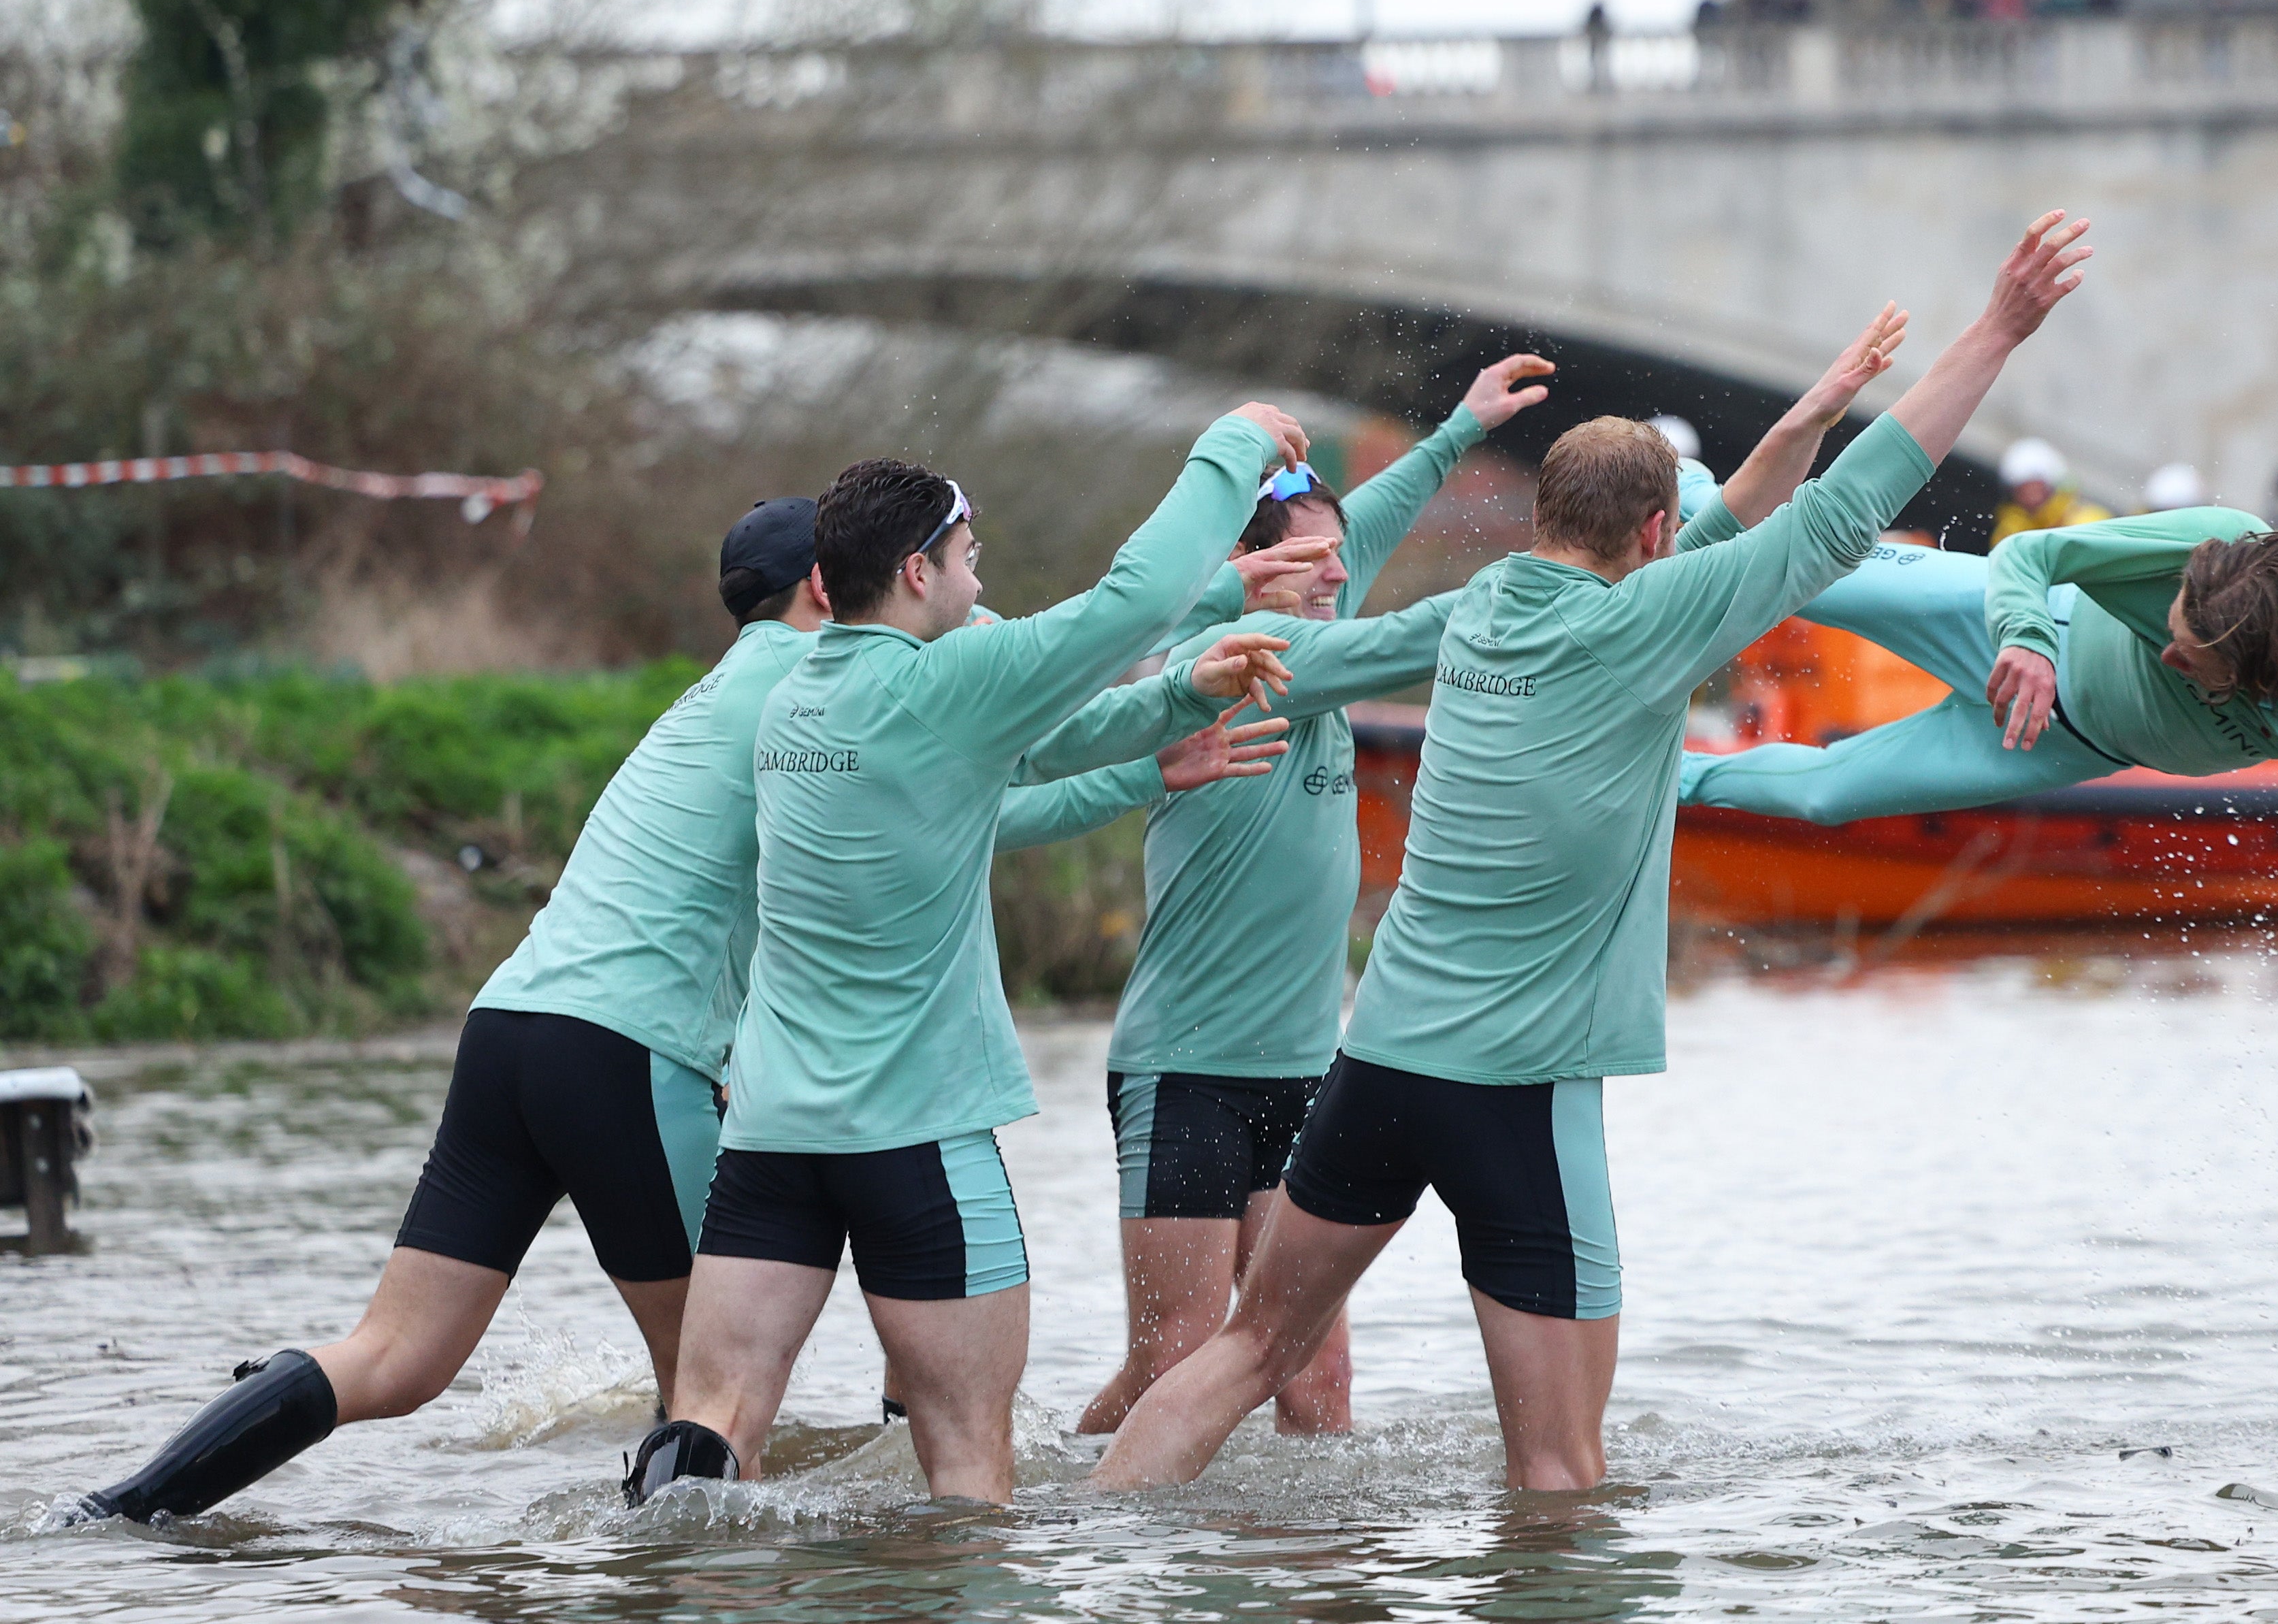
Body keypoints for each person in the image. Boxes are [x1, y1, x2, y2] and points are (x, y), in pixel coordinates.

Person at [1089, 211, 2094, 1495]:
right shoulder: (1659, 620)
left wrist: (1181, 655)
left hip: (1379, 1059)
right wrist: (1997, 329)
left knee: (1244, 1352)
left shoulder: (1477, 608)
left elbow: (1304, 656)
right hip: (1522, 1087)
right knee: (1561, 1470)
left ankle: (1094, 1558)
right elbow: (1852, 509)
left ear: (1548, 510)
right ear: (1656, 537)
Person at [67, 500, 834, 1524]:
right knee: (713, 1383)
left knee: (392, 1357)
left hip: (507, 1032)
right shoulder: (816, 683)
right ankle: (671, 1581)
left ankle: (116, 1509)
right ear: (827, 586)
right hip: (623, 1055)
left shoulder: (701, 699)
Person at [627, 403, 1312, 1508]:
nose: (981, 581)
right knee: (967, 1457)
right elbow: (1136, 598)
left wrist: (1178, 703)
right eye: (969, 558)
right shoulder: (942, 686)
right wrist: (1232, 447)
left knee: (713, 1417)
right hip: (920, 1136)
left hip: (771, 1136)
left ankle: (665, 1579)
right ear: (915, 571)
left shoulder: (792, 696)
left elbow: (1027, 748)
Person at [996, 355, 1557, 1442]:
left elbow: (1354, 544)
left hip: (1307, 1072)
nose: (1338, 574)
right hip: (1187, 1069)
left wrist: (1450, 434)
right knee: (1174, 1357)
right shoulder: (1239, 651)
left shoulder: (1312, 622)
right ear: (1247, 565)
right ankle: (1072, 1508)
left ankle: (1312, 1577)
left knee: (1316, 1382)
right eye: (1311, 560)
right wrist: (1564, 575)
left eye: (1340, 560)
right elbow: (1409, 634)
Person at [1674, 499, 2278, 1190]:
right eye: (2172, 630)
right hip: (2019, 628)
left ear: (2256, 681)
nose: (2167, 654)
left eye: (2188, 663)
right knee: (1794, 576)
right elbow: (2032, 553)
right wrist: (2024, 637)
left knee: (1827, 796)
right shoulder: (2212, 543)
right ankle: (1674, 485)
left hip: (2052, 744)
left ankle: (1661, 776)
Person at [1991, 437, 2109, 547]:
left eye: (2036, 487)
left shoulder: (2087, 523)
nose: (2030, 495)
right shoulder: (2009, 534)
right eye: (2022, 489)